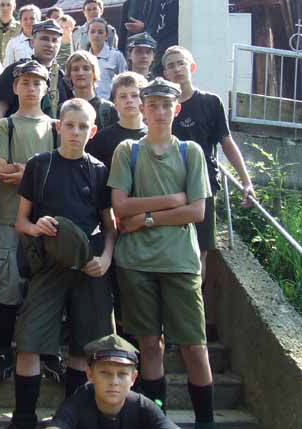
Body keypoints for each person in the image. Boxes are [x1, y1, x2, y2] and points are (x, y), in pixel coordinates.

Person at [108, 78, 216, 429]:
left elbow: (197, 211)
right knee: (149, 346)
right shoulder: (128, 150)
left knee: (194, 347)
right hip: (136, 263)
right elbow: (121, 206)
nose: (159, 111)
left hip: (180, 263)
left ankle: (206, 421)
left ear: (176, 109)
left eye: (166, 105)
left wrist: (147, 218)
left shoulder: (190, 152)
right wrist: (171, 200)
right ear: (142, 108)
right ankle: (158, 421)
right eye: (152, 105)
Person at [9, 98, 117, 429]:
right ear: (58, 127)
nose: (75, 132)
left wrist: (105, 259)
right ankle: (23, 420)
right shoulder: (39, 165)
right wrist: (36, 227)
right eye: (69, 125)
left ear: (93, 131)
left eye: (83, 126)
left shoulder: (99, 171)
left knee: (83, 349)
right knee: (29, 344)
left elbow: (110, 227)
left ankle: (73, 420)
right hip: (48, 263)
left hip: (89, 265)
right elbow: (20, 221)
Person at [0, 60, 59, 384]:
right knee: (8, 285)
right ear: (15, 87)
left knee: (44, 288)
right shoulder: (5, 126)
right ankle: (3, 351)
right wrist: (39, 170)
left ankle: (47, 353)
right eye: (25, 82)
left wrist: (23, 169)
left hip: (46, 220)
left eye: (36, 82)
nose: (30, 88)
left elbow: (60, 172)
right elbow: (2, 171)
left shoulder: (55, 128)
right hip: (8, 217)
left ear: (46, 89)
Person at [164, 46, 255, 282]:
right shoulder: (163, 107)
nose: (177, 69)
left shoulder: (211, 102)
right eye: (171, 65)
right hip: (169, 184)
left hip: (204, 184)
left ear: (192, 67)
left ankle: (196, 302)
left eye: (181, 63)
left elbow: (227, 142)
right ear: (165, 73)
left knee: (199, 250)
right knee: (170, 248)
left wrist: (246, 181)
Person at [46, 334, 179, 429]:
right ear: (90, 375)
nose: (114, 381)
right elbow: (59, 424)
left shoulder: (141, 405)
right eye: (105, 373)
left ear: (133, 378)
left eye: (122, 374)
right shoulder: (79, 402)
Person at [0, 19, 73, 126]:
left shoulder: (61, 78)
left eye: (55, 40)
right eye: (44, 39)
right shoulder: (16, 71)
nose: (50, 44)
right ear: (32, 42)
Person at [86, 72, 147, 171]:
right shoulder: (100, 140)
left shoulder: (153, 136)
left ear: (144, 101)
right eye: (123, 96)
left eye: (135, 95)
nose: (129, 100)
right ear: (115, 103)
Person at [64, 50, 118, 132]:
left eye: (86, 68)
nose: (80, 73)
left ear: (94, 73)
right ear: (69, 75)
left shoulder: (108, 109)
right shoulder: (63, 109)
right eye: (75, 69)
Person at [87, 18, 127, 100]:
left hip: (109, 102)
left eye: (100, 32)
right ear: (87, 34)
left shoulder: (116, 56)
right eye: (92, 32)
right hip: (88, 102)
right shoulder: (84, 58)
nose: (96, 35)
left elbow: (125, 83)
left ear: (106, 35)